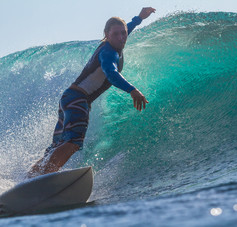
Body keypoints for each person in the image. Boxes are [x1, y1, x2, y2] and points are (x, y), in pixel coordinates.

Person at [27, 7, 156, 178]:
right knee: (72, 143)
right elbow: (111, 73)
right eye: (116, 34)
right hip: (78, 100)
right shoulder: (109, 53)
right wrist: (132, 90)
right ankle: (43, 180)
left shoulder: (111, 43)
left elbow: (126, 28)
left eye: (123, 33)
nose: (121, 37)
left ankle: (29, 179)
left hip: (68, 98)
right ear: (106, 34)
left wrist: (139, 18)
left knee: (58, 146)